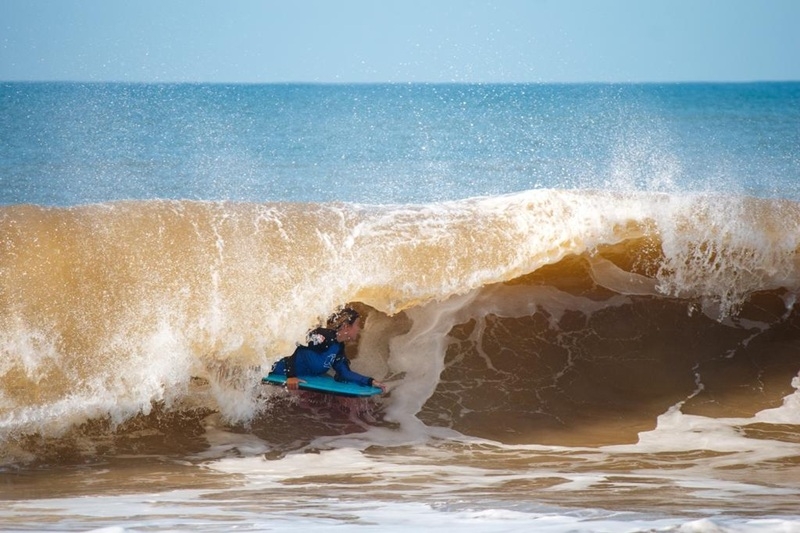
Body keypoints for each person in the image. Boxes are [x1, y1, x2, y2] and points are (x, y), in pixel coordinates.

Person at [270, 307, 386, 392]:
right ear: (346, 326)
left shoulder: (338, 347)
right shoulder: (324, 336)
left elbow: (344, 373)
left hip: (299, 376)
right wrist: (291, 376)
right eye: (357, 324)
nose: (359, 329)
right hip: (275, 368)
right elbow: (295, 344)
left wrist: (370, 381)